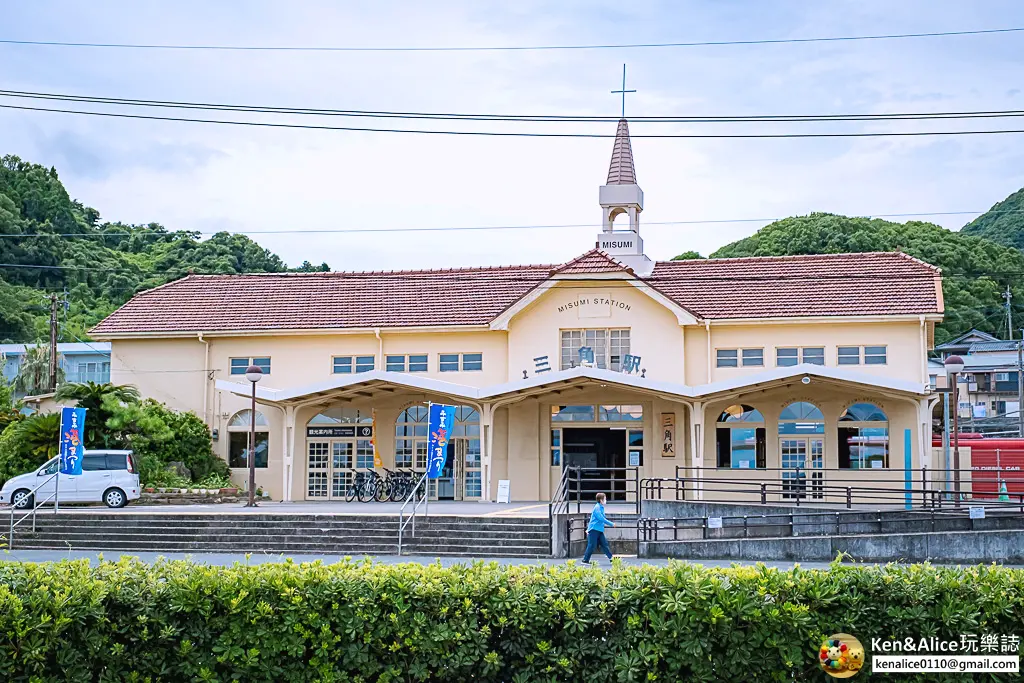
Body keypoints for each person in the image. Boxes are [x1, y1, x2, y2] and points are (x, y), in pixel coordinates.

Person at [581, 492, 615, 565]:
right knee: (592, 545)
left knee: (604, 544)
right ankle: (585, 560)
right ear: (601, 500)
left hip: (598, 529)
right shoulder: (597, 508)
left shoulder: (600, 507)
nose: (606, 500)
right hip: (594, 529)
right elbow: (601, 518)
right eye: (604, 499)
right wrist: (611, 524)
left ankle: (612, 559)